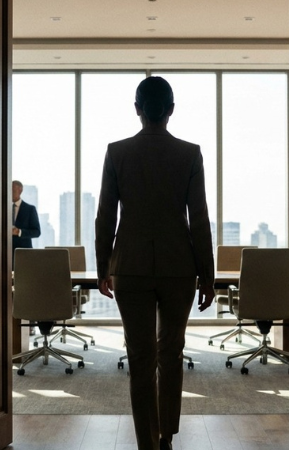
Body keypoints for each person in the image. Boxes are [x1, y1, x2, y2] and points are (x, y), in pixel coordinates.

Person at [95, 76, 215, 450]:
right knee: (171, 353)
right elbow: (199, 219)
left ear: (137, 109)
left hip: (129, 266)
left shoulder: (117, 152)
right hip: (180, 267)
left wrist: (103, 269)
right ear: (171, 110)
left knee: (141, 357)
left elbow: (105, 216)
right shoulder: (189, 153)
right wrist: (208, 277)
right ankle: (166, 436)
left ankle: (146, 442)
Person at [11, 180, 41, 261]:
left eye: (13, 190)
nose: (10, 192)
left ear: (20, 190)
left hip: (24, 254)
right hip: (4, 255)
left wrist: (19, 232)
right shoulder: (1, 209)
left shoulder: (30, 209)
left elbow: (36, 232)